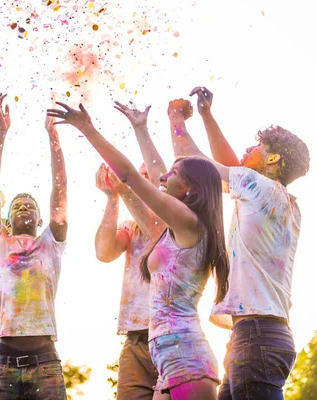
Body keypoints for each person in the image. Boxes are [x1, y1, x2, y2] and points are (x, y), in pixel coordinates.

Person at [47, 101, 230, 400]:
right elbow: (153, 174)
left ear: (189, 189)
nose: (162, 177)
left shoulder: (189, 223)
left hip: (186, 358)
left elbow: (131, 175)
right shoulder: (173, 229)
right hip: (168, 357)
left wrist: (87, 129)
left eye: (172, 174)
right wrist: (141, 129)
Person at [170, 87, 311, 399]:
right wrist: (207, 117)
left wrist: (176, 119)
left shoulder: (259, 189)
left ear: (272, 158)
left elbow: (197, 168)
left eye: (258, 145)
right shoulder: (276, 199)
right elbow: (231, 169)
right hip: (255, 336)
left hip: (257, 338)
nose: (249, 147)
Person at [0, 93, 68, 400]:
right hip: (4, 363)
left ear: (40, 217)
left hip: (46, 362)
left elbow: (60, 190)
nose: (23, 207)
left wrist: (53, 136)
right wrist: (1, 132)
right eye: (17, 205)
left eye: (29, 204)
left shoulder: (50, 244)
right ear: (5, 220)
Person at [94, 101, 165, 400]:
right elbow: (104, 252)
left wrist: (123, 189)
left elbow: (155, 229)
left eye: (145, 177)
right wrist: (112, 197)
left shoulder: (172, 221)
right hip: (135, 340)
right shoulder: (130, 226)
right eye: (136, 177)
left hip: (170, 335)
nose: (138, 182)